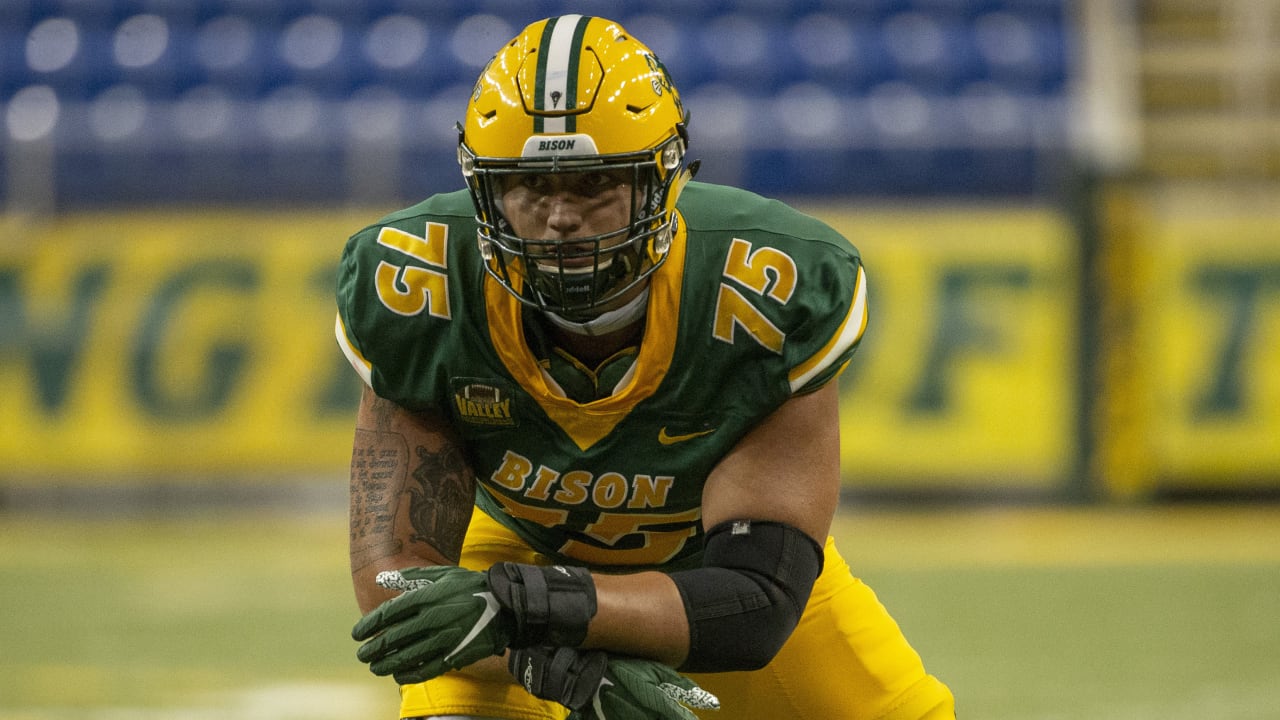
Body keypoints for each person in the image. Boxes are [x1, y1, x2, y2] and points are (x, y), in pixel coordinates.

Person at [335, 13, 954, 720]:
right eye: (530, 188)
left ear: (661, 182)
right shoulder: (421, 284)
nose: (558, 218)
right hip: (511, 558)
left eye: (592, 183)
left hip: (697, 569)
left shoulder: (764, 287)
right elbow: (397, 593)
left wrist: (533, 611)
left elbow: (757, 598)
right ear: (485, 193)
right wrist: (564, 668)